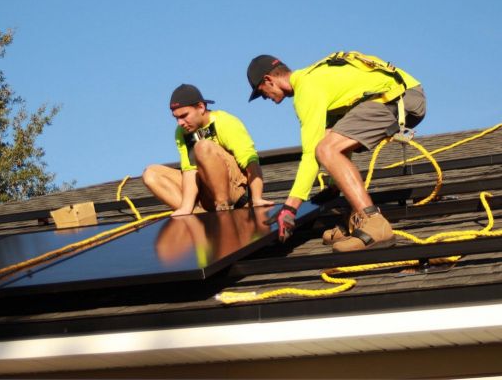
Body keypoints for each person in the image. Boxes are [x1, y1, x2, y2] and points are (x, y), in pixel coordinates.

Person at [246, 51, 426, 251]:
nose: (265, 98)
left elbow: (312, 153)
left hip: (396, 97)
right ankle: (354, 219)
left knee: (324, 150)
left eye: (261, 92)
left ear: (268, 79)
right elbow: (335, 133)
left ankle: (374, 223)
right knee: (328, 140)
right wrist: (333, 186)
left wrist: (290, 208)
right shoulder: (317, 80)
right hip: (400, 94)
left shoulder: (307, 88)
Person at [143, 84, 273, 216]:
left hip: (232, 190)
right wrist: (186, 208)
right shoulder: (182, 133)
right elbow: (189, 170)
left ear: (201, 107)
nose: (180, 123)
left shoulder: (224, 121)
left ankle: (223, 207)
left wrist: (256, 198)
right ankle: (197, 215)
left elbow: (250, 160)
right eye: (176, 118)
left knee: (202, 146)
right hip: (206, 194)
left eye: (184, 116)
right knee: (151, 173)